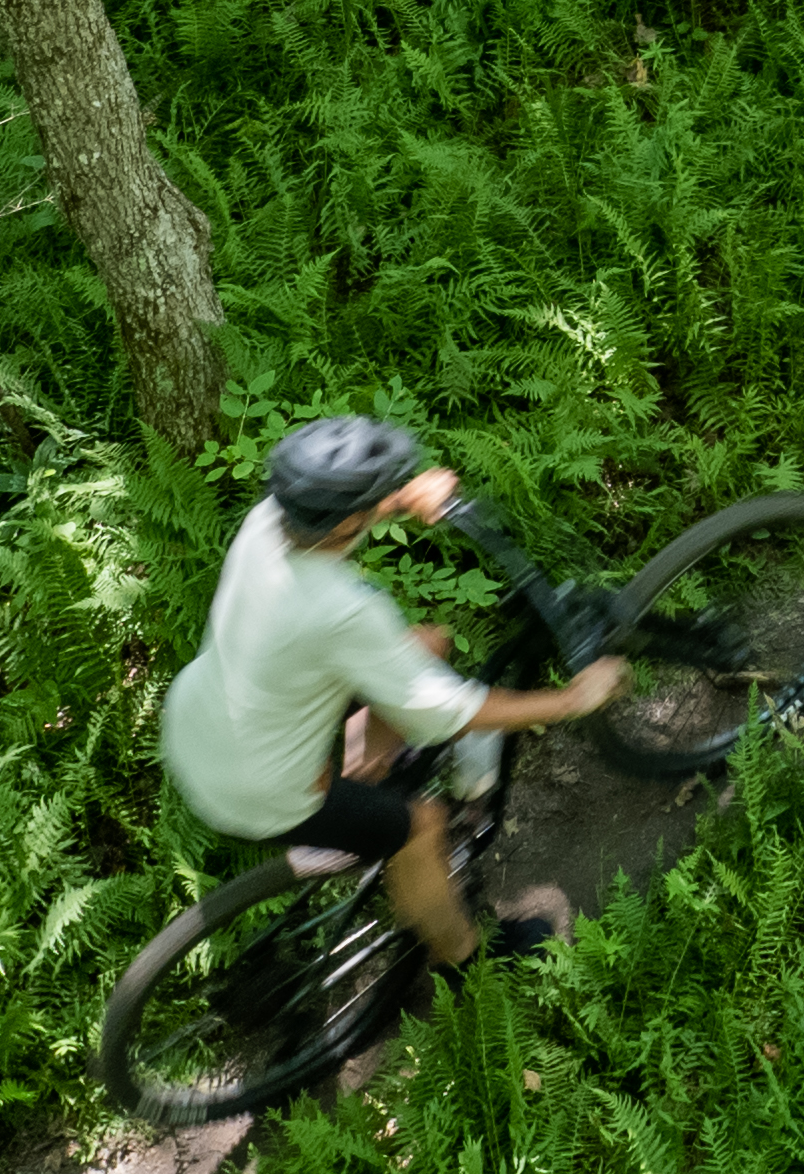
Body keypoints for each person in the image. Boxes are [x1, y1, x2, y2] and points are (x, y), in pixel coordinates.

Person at [158, 414, 626, 973]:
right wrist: (572, 699)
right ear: (350, 518)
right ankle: (463, 955)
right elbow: (447, 715)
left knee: (426, 645)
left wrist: (405, 497)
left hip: (200, 723)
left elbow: (336, 517)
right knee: (420, 824)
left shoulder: (267, 523)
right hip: (258, 787)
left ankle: (366, 778)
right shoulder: (344, 611)